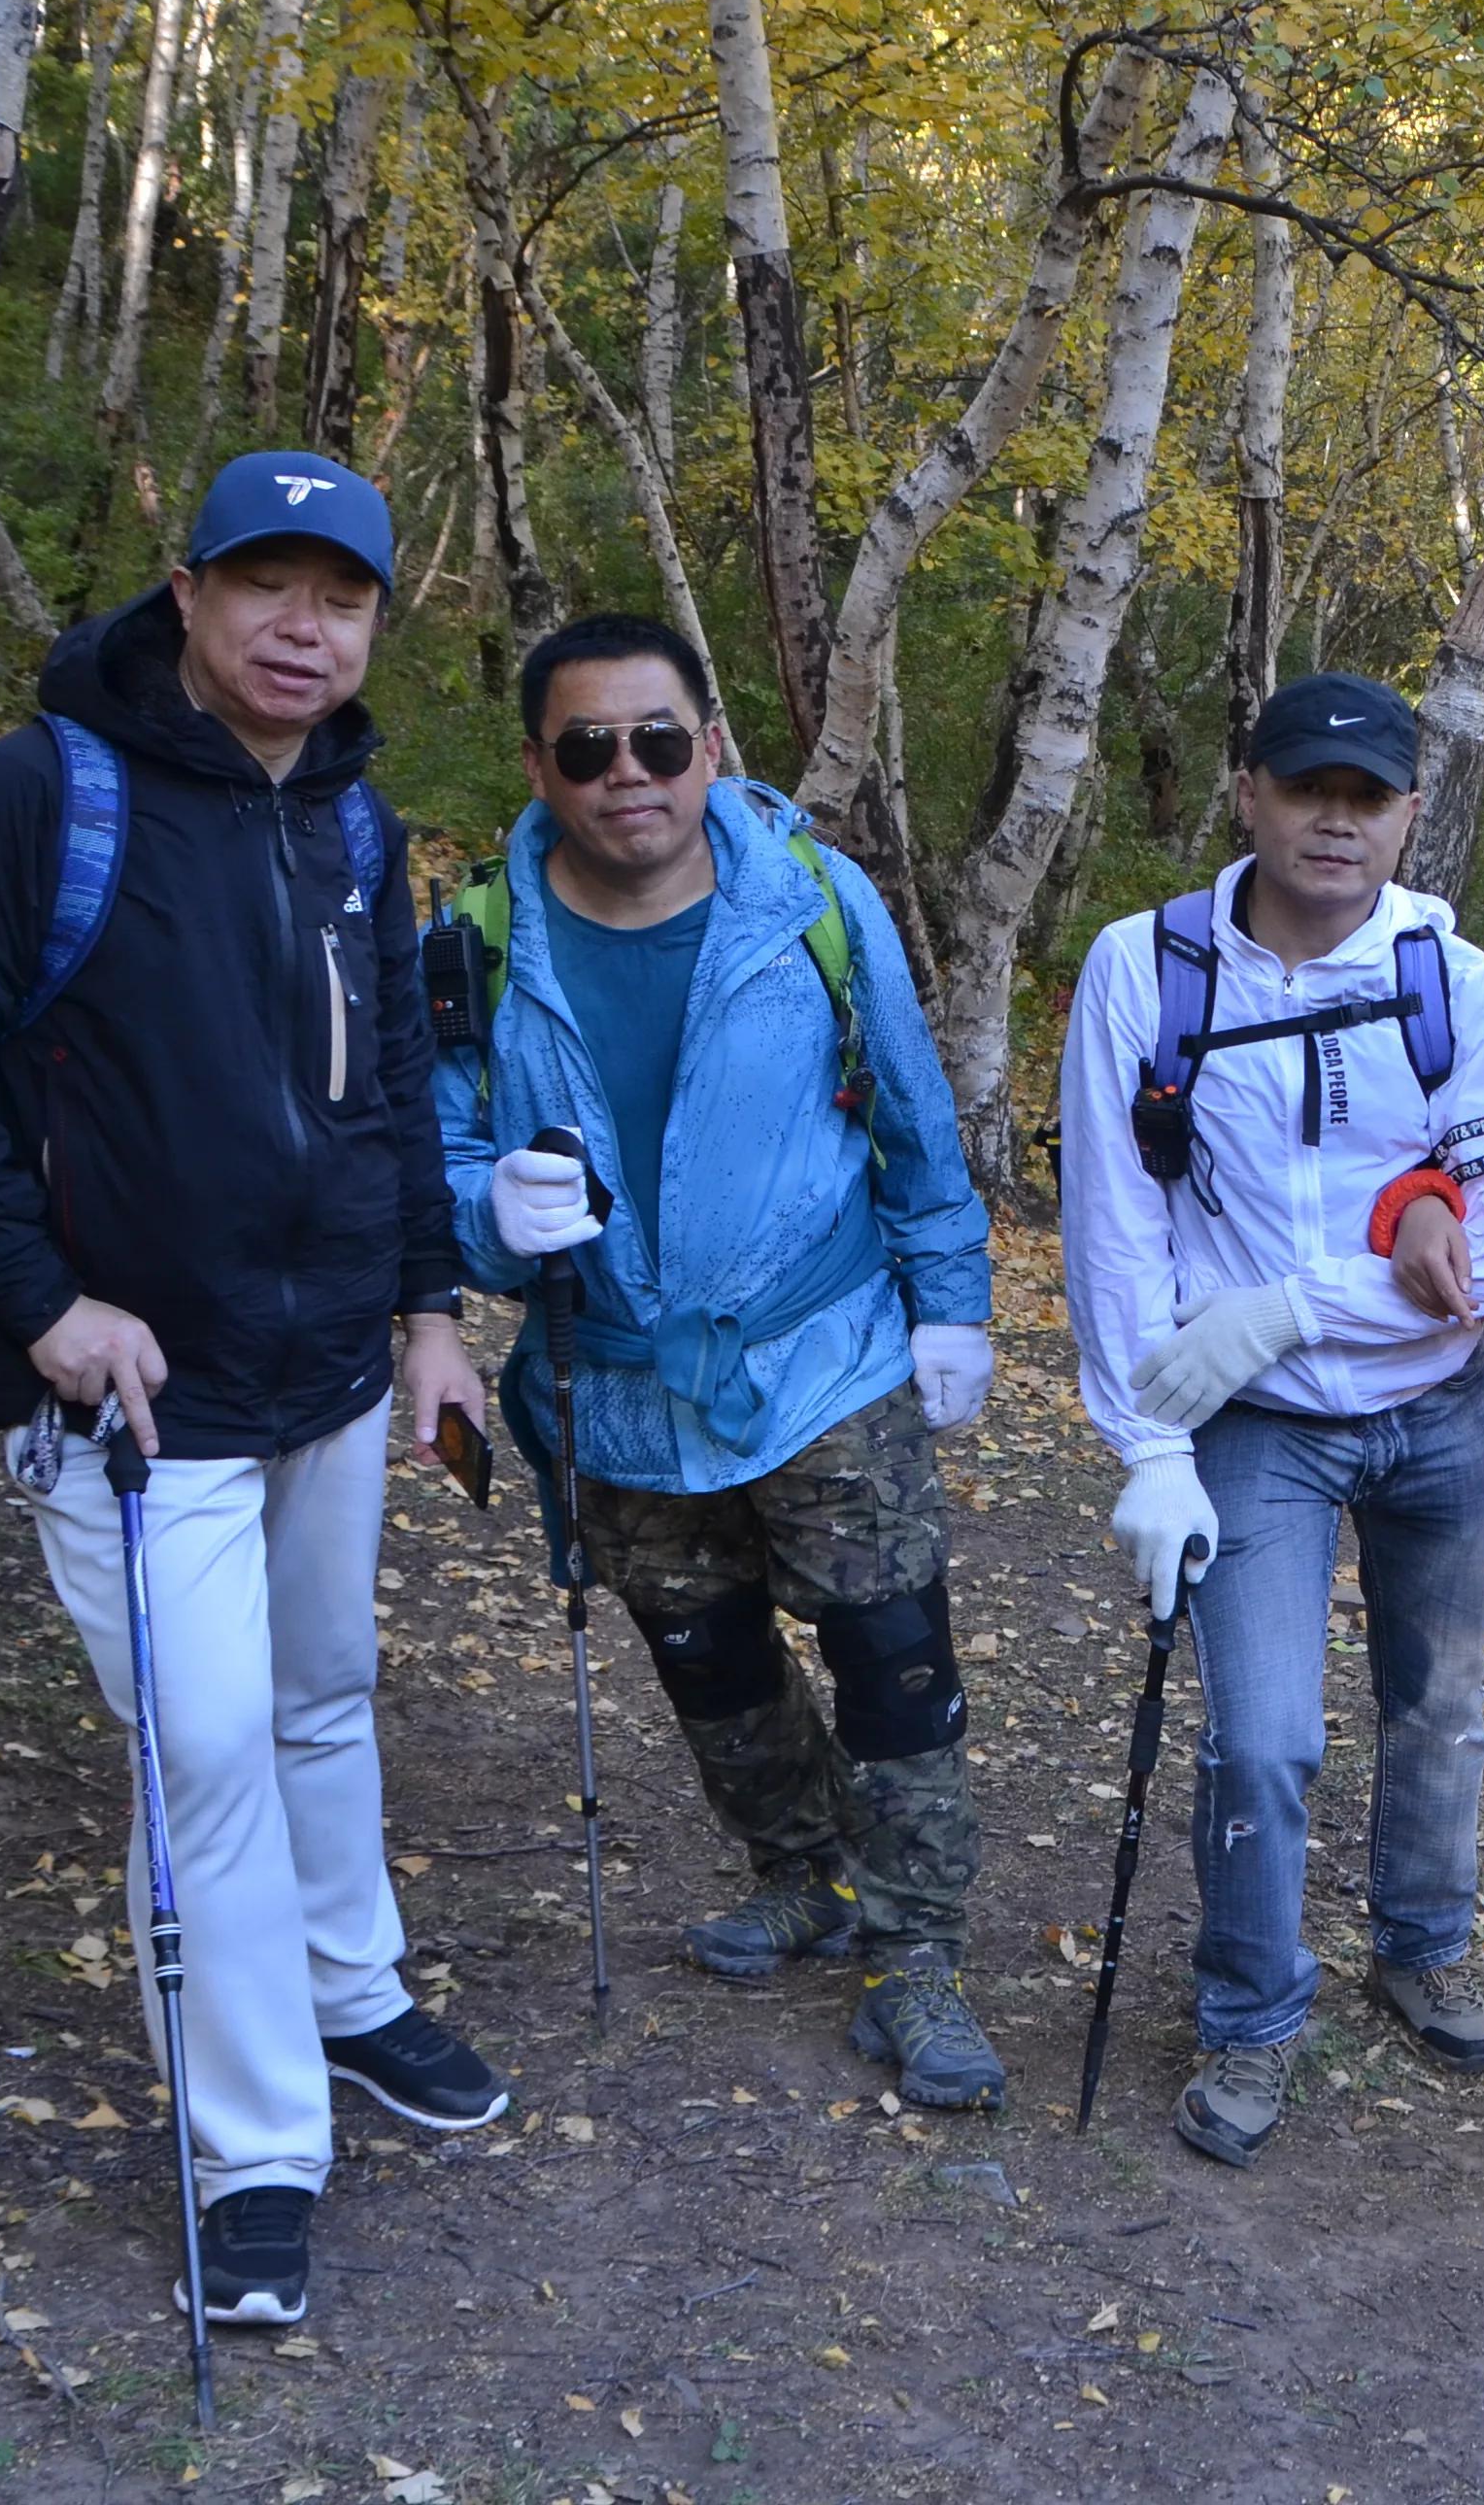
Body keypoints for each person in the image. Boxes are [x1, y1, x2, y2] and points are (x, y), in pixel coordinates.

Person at [0, 452, 509, 2331]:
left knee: (322, 1701)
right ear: (188, 593)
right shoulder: (31, 802)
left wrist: (431, 1308)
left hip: (327, 1369)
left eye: (344, 599)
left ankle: (353, 1992)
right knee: (202, 1750)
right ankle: (256, 2151)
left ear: (378, 621)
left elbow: (384, 1102)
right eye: (267, 589)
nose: (306, 630)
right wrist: (41, 1305)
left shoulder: (359, 826)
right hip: (131, 1395)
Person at [426, 614, 1007, 2106]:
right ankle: (802, 1873)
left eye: (659, 740)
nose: (630, 775)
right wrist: (482, 1214)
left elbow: (911, 1109)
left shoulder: (811, 895)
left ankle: (919, 1956)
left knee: (894, 1658)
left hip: (824, 1356)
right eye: (588, 748)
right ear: (541, 766)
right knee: (709, 1659)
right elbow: (437, 1160)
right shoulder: (479, 940)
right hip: (612, 1386)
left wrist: (951, 1299)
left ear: (714, 744)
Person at [1056, 671, 1484, 2164]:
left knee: (1441, 1710)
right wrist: (1149, 1450)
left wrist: (1287, 1303)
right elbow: (1113, 1232)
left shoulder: (1457, 988)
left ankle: (1420, 1944)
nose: (1339, 817)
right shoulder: (1147, 971)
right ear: (1249, 791)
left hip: (1437, 1411)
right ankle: (1253, 2016)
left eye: (1371, 794)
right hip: (1249, 1425)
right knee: (1263, 1739)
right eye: (1307, 785)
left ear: (1411, 811)